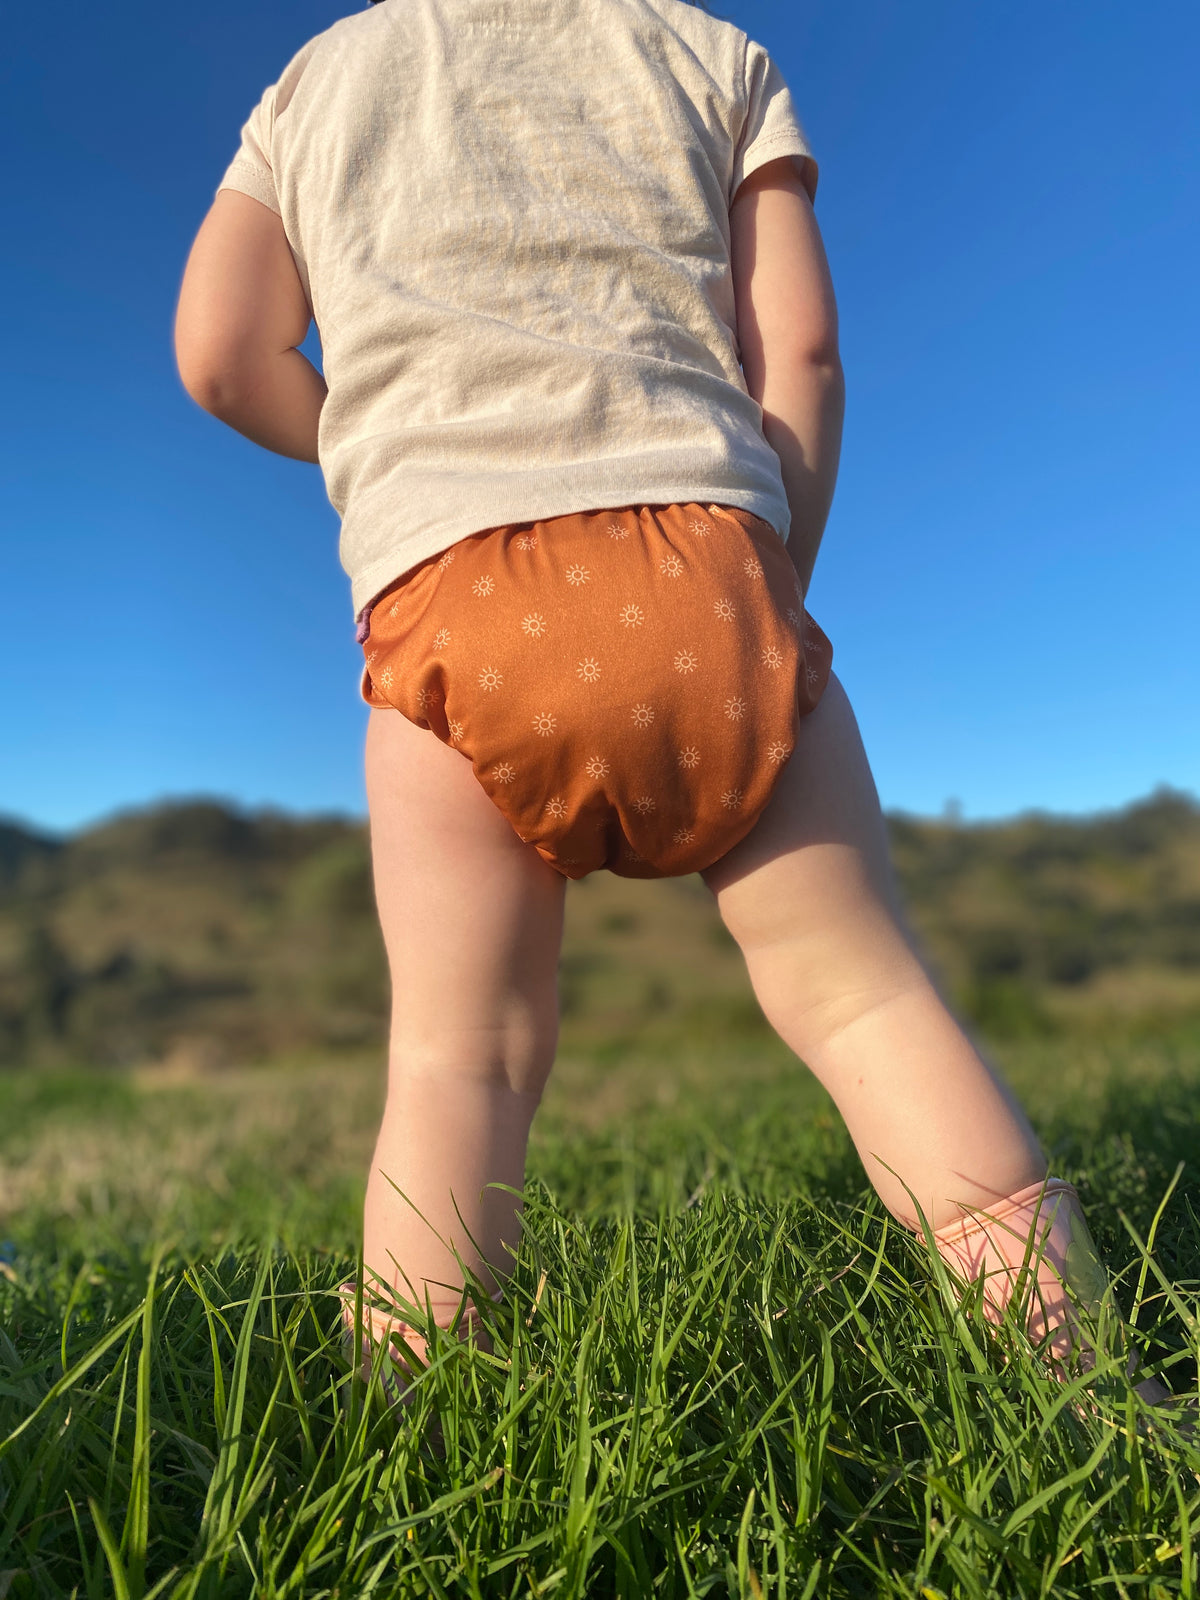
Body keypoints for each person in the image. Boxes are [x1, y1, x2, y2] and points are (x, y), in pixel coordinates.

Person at [174, 0, 1178, 1415]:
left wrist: (372, 453)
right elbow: (805, 361)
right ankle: (1087, 1393)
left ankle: (409, 1426)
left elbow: (220, 355)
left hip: (454, 600)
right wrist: (775, 582)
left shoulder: (318, 78)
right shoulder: (714, 55)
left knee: (463, 1050)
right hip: (707, 566)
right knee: (865, 995)